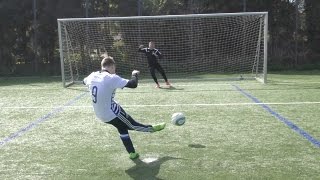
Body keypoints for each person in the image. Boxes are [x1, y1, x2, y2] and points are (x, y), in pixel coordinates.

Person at [83, 53, 166, 160]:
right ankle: (152, 129)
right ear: (112, 66)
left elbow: (83, 81)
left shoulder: (92, 75)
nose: (115, 71)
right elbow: (133, 84)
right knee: (132, 125)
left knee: (121, 127)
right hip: (110, 113)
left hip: (99, 113)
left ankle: (132, 153)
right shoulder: (110, 77)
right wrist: (134, 74)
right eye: (114, 68)